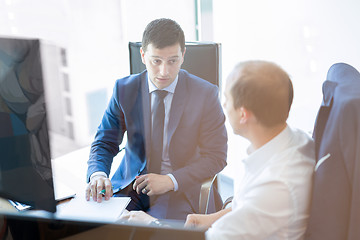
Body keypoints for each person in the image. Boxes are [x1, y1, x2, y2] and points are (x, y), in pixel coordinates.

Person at [85, 18, 227, 221]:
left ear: (183, 55)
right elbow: (104, 142)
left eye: (172, 61)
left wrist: (170, 180)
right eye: (156, 61)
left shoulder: (205, 94)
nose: (164, 72)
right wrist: (98, 174)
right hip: (130, 186)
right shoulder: (124, 90)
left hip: (179, 190)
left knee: (156, 233)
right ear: (143, 55)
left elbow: (217, 156)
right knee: (101, 228)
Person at [184, 60, 315, 239]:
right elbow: (247, 208)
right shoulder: (296, 138)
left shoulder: (275, 186)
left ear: (243, 114)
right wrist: (212, 219)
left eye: (227, 99)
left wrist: (152, 225)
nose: (224, 105)